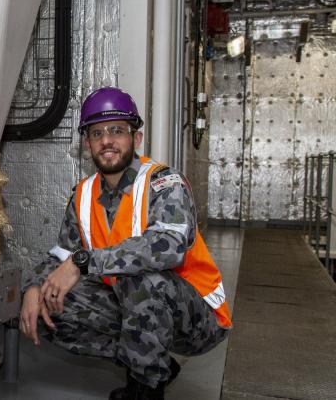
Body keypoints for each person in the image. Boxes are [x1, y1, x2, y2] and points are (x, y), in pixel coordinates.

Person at [19, 87, 232, 400]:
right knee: (49, 299)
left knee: (143, 277)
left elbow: (167, 248)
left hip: (196, 316)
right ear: (87, 143)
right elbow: (61, 256)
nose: (107, 141)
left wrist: (83, 263)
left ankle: (145, 389)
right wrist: (35, 286)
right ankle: (152, 364)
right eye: (97, 133)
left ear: (136, 138)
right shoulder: (83, 194)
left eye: (117, 130)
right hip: (132, 304)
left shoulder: (164, 183)